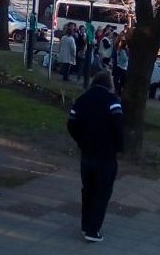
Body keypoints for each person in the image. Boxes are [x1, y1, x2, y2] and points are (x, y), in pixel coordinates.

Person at [67, 70, 123, 243]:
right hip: (105, 154)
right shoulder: (112, 102)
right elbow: (118, 125)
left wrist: (81, 140)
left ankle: (85, 224)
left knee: (88, 190)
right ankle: (93, 229)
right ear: (109, 84)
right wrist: (118, 146)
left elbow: (71, 122)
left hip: (87, 152)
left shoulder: (82, 99)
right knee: (102, 191)